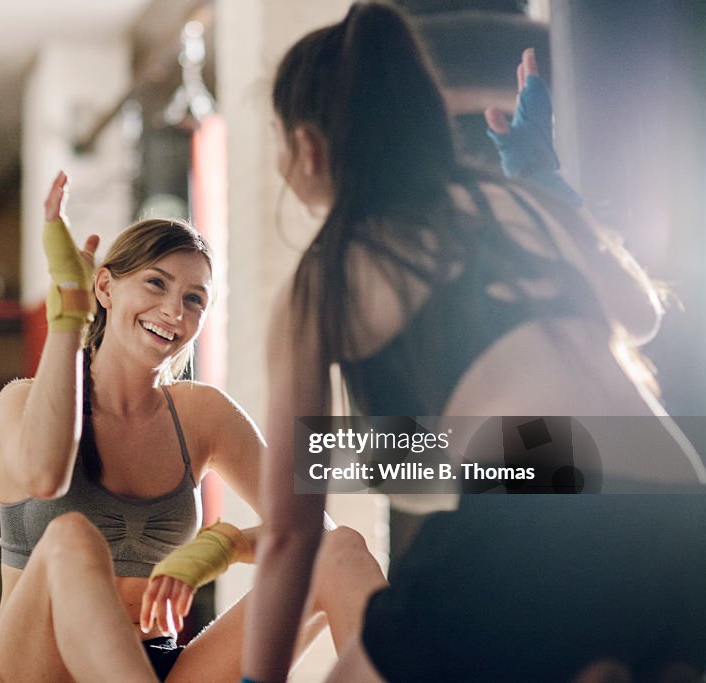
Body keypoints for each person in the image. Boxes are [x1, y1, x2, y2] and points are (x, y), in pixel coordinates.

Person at [241, 3, 706, 682]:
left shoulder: (328, 273)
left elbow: (290, 531)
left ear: (308, 148)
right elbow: (639, 316)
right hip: (679, 498)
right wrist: (545, 181)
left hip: (544, 519)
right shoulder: (522, 201)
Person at [0, 171, 380, 682]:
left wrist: (224, 546)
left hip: (158, 667)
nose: (174, 309)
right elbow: (44, 477)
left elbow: (308, 532)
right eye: (156, 283)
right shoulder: (20, 402)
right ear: (104, 287)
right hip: (39, 667)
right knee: (70, 539)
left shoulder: (201, 414)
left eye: (195, 299)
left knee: (340, 549)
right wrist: (67, 314)